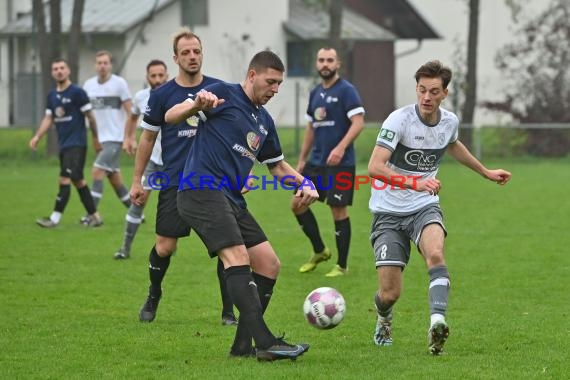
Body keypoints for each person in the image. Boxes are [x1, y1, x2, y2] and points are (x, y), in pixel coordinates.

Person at [163, 50, 318, 361]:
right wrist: (196, 103)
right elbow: (171, 115)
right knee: (237, 257)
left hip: (231, 199)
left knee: (269, 264)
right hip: (200, 190)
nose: (275, 89)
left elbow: (277, 167)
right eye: (270, 82)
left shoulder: (264, 121)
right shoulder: (223, 94)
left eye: (279, 84)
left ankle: (242, 347)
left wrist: (305, 183)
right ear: (251, 76)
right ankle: (265, 342)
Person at [367, 60, 511, 354]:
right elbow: (374, 167)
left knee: (435, 253)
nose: (426, 98)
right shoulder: (399, 120)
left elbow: (453, 144)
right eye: (422, 90)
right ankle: (383, 317)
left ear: (444, 93)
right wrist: (415, 183)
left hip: (424, 207)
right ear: (416, 89)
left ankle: (437, 323)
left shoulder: (449, 121)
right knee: (390, 293)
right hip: (388, 213)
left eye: (434, 91)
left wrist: (485, 172)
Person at [129, 28, 237, 325]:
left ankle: (229, 311)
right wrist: (138, 180)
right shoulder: (161, 95)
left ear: (202, 54)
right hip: (176, 180)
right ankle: (154, 295)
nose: (192, 56)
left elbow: (236, 134)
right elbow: (147, 140)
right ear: (175, 58)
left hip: (215, 180)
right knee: (165, 246)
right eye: (186, 52)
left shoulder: (220, 89)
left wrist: (242, 174)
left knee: (228, 246)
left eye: (197, 51)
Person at [292, 47, 365, 277]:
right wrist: (302, 159)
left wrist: (340, 148)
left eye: (330, 60)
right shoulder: (315, 93)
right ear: (317, 63)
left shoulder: (347, 91)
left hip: (340, 164)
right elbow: (311, 129)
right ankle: (320, 250)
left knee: (338, 210)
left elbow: (358, 122)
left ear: (337, 64)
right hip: (316, 163)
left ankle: (342, 266)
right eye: (321, 60)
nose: (325, 64)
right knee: (297, 204)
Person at [30, 58, 103, 228]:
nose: (59, 71)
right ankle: (95, 217)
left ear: (68, 70)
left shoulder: (77, 92)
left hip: (77, 144)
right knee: (78, 180)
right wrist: (37, 137)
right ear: (52, 72)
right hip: (64, 145)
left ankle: (54, 219)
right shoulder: (52, 95)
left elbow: (90, 117)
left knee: (64, 178)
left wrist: (95, 138)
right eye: (55, 69)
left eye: (62, 68)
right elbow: (49, 118)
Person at [113, 59, 168, 260]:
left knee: (192, 204)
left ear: (167, 75)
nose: (157, 79)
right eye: (153, 76)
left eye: (161, 75)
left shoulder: (177, 95)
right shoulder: (141, 97)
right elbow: (132, 116)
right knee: (138, 201)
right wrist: (128, 137)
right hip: (152, 161)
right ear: (147, 78)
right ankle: (125, 249)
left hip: (176, 163)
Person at [82, 50, 132, 222]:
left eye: (105, 63)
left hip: (115, 138)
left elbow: (131, 112)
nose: (102, 66)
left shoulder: (119, 83)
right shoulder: (88, 85)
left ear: (110, 65)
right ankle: (136, 213)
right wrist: (93, 137)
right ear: (95, 65)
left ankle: (92, 215)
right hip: (100, 139)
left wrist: (129, 137)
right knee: (115, 179)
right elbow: (88, 115)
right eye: (99, 63)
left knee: (97, 172)